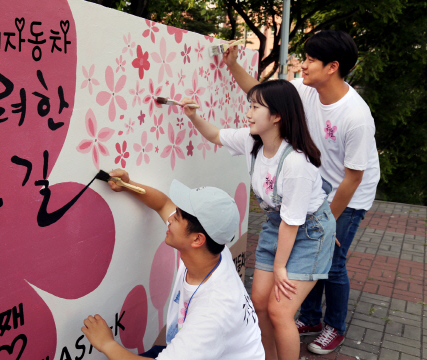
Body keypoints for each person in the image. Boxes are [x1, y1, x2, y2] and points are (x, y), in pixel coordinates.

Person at [223, 30, 380, 354]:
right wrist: (233, 65)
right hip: (311, 185)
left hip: (347, 194)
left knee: (333, 260)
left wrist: (328, 223)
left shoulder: (356, 116)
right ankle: (308, 317)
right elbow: (263, 94)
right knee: (307, 265)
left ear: (332, 67)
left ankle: (334, 325)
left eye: (310, 60)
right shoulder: (305, 90)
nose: (303, 65)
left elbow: (353, 177)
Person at [182, 79, 336, 360]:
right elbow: (215, 135)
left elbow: (293, 222)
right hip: (277, 226)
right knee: (259, 305)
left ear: (277, 115)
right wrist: (193, 116)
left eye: (255, 107)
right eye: (250, 105)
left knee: (280, 311)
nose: (248, 113)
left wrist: (280, 268)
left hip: (309, 232)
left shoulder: (295, 163)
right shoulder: (252, 140)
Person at [81, 170, 265, 360]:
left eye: (177, 217)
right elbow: (162, 204)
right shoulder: (214, 248)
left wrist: (106, 344)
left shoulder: (212, 313)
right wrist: (127, 185)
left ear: (197, 239)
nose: (169, 218)